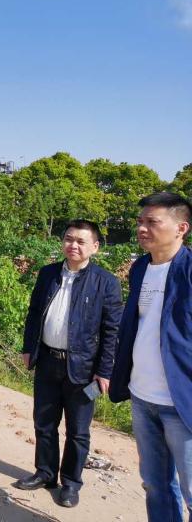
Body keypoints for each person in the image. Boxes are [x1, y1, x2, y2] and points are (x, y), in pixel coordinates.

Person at [15, 220, 122, 508]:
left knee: (78, 431)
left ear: (95, 247)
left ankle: (71, 483)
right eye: (68, 239)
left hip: (83, 368)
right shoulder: (48, 273)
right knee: (44, 423)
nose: (73, 245)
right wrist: (28, 347)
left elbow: (112, 331)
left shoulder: (106, 282)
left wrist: (104, 371)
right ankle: (45, 473)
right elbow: (34, 312)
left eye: (81, 241)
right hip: (47, 360)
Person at [109, 192, 192, 521]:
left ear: (181, 228)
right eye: (140, 221)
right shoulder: (140, 267)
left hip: (182, 402)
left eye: (152, 222)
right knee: (156, 485)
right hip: (143, 396)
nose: (142, 228)